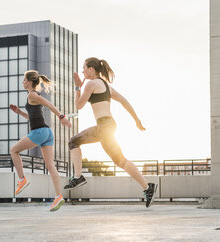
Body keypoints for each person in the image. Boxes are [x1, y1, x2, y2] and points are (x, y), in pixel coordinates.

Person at [64, 57, 157, 207]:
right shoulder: (106, 86)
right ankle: (148, 187)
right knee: (120, 161)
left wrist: (77, 88)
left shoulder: (91, 83)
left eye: (84, 68)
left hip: (103, 126)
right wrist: (136, 120)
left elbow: (79, 105)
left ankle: (78, 177)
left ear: (91, 70)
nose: (82, 71)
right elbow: (124, 101)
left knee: (73, 141)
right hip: (109, 125)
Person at [9, 70, 71, 211]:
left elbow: (49, 104)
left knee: (13, 150)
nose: (22, 82)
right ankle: (58, 196)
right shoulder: (33, 95)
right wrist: (19, 112)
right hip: (47, 132)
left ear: (30, 82)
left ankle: (22, 180)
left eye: (24, 80)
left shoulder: (32, 94)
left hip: (39, 132)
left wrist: (62, 117)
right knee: (50, 166)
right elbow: (32, 117)